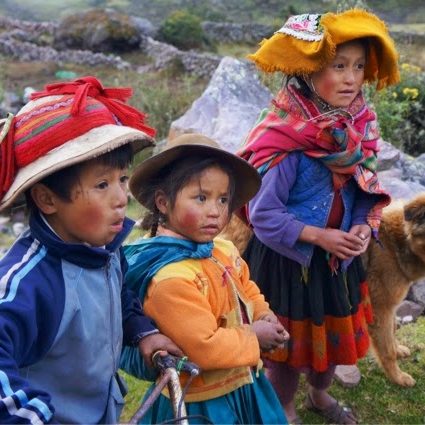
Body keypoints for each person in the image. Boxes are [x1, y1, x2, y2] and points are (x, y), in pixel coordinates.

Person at [237, 8, 400, 425]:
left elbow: (366, 188)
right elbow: (264, 214)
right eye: (338, 66)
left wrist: (364, 225)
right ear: (308, 73)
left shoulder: (358, 129)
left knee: (332, 340)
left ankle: (319, 396)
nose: (351, 77)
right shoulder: (286, 140)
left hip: (337, 265)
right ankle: (286, 405)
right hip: (287, 266)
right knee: (287, 351)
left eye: (359, 67)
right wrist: (318, 236)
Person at [0, 76, 183, 424]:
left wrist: (142, 331)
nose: (120, 198)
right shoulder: (28, 283)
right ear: (47, 198)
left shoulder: (105, 252)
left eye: (122, 179)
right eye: (102, 184)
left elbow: (118, 296)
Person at [120, 133, 290, 424]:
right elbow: (203, 348)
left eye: (223, 199)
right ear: (163, 202)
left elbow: (246, 287)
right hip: (204, 402)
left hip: (244, 382)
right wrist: (255, 337)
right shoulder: (171, 279)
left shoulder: (221, 248)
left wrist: (264, 314)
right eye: (201, 198)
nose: (215, 211)